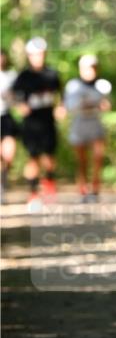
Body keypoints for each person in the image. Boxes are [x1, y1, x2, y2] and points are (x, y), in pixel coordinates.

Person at [12, 37, 62, 211]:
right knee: (33, 157)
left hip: (48, 121)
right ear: (29, 56)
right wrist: (20, 106)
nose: (38, 57)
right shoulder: (23, 76)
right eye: (34, 54)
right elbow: (14, 95)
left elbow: (59, 95)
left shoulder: (52, 74)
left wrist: (60, 108)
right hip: (31, 124)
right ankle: (33, 193)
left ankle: (49, 184)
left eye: (40, 54)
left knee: (49, 156)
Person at [63, 54, 111, 200]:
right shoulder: (73, 86)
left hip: (95, 122)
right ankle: (83, 189)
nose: (91, 71)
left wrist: (100, 105)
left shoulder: (102, 85)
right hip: (79, 123)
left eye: (93, 67)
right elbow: (69, 106)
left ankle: (95, 189)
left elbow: (107, 105)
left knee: (98, 157)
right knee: (81, 160)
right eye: (87, 68)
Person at [0, 49, 20, 199]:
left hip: (6, 118)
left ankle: (3, 184)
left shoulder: (11, 76)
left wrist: (11, 97)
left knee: (8, 155)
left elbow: (18, 100)